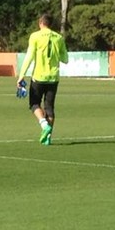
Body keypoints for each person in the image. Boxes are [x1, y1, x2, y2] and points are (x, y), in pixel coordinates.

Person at [16, 13, 69, 145]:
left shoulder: (35, 36)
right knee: (49, 107)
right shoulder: (59, 38)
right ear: (51, 24)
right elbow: (65, 59)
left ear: (40, 23)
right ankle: (48, 138)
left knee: (34, 104)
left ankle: (44, 125)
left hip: (38, 77)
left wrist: (21, 75)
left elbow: (29, 57)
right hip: (53, 77)